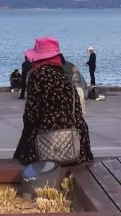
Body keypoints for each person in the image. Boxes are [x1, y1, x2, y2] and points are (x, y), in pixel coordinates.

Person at [14, 36, 93, 165]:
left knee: (22, 156)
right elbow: (77, 110)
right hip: (77, 146)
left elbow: (31, 115)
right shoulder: (64, 76)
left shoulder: (37, 75)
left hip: (48, 142)